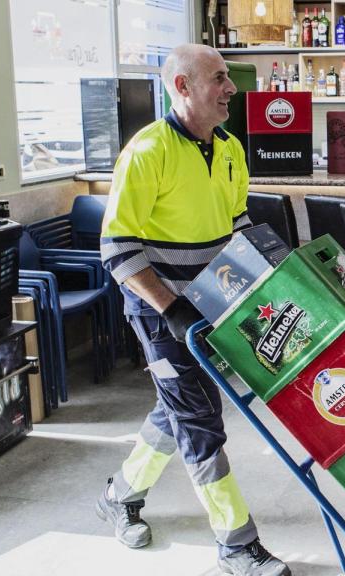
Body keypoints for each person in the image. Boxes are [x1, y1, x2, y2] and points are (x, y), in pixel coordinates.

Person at [97, 44, 291, 576]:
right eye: (219, 78)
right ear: (182, 87)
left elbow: (239, 224)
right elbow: (117, 249)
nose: (231, 88)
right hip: (159, 311)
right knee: (200, 419)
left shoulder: (229, 148)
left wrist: (273, 270)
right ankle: (236, 544)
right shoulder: (147, 152)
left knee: (178, 407)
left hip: (214, 303)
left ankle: (121, 495)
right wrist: (171, 308)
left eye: (228, 77)